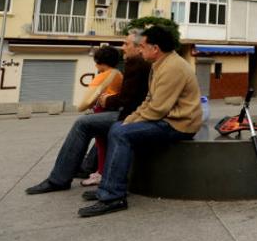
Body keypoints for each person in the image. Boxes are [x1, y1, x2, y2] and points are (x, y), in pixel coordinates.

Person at [77, 25, 201, 217]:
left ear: (155, 48)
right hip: (166, 119)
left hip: (179, 124)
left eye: (142, 46)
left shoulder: (172, 67)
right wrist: (130, 119)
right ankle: (109, 187)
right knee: (118, 127)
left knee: (121, 132)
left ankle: (113, 196)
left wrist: (130, 123)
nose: (139, 49)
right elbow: (149, 101)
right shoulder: (161, 64)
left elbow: (158, 108)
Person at [25, 31, 151, 196]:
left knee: (83, 124)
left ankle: (58, 179)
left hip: (134, 115)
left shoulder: (136, 63)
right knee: (95, 124)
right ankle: (86, 168)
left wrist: (107, 100)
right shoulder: (137, 64)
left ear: (139, 47)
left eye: (126, 44)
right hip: (134, 112)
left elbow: (127, 99)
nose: (123, 47)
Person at [75, 45, 123, 187]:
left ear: (99, 62)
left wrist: (83, 106)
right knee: (106, 143)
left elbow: (86, 101)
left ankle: (101, 173)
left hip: (100, 112)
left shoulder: (101, 77)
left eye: (96, 62)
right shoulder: (119, 74)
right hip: (113, 111)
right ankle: (101, 170)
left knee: (101, 144)